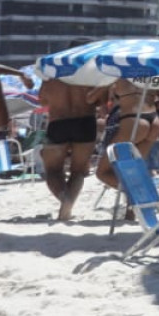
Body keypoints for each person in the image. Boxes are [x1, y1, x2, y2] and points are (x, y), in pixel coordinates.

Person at [35, 77, 103, 221]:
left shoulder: (50, 77)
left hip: (59, 122)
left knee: (52, 170)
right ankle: (67, 209)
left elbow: (42, 101)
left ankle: (65, 200)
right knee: (78, 171)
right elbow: (101, 101)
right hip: (85, 122)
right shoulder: (88, 75)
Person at [95, 78, 159, 189]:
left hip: (134, 120)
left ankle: (139, 194)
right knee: (135, 168)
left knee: (102, 172)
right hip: (154, 120)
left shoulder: (119, 72)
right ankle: (140, 197)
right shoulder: (152, 72)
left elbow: (91, 98)